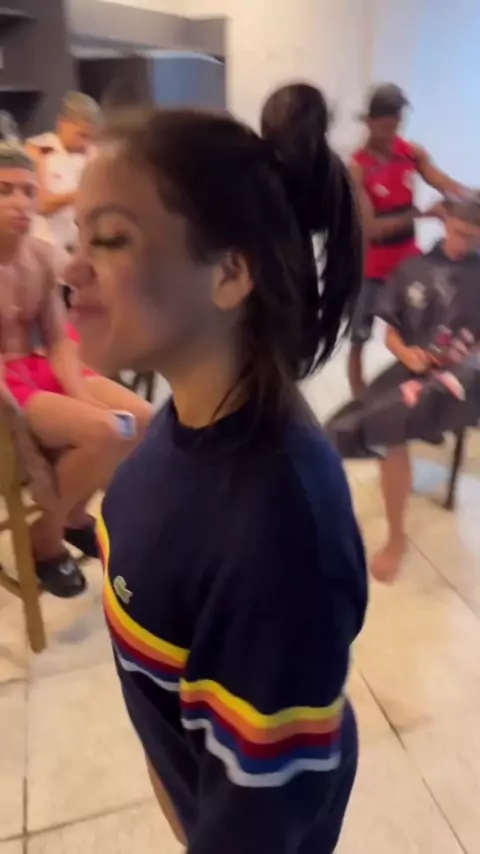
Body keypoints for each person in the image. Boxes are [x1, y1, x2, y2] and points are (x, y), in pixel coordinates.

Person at [71, 86, 367, 854]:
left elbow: (258, 816)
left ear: (230, 273)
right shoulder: (177, 428)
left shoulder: (279, 537)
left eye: (110, 238)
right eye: (78, 236)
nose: (72, 269)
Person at [0, 143, 153, 598]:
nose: (21, 203)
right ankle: (45, 539)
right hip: (5, 383)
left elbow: (57, 340)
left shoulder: (38, 255)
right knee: (105, 432)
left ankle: (70, 513)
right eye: (5, 191)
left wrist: (82, 396)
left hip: (36, 365)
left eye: (28, 191)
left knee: (143, 418)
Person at [326, 198, 480, 582]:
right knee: (364, 420)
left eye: (473, 238)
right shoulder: (413, 268)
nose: (463, 243)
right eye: (459, 233)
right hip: (415, 367)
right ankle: (396, 534)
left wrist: (463, 357)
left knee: (399, 411)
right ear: (446, 222)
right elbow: (391, 333)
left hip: (466, 374)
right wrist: (407, 354)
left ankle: (395, 538)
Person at [348, 83, 470, 399]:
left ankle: (419, 395)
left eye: (397, 126)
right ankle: (359, 400)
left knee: (420, 333)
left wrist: (470, 197)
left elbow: (443, 182)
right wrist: (422, 214)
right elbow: (371, 229)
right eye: (386, 127)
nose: (393, 135)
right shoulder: (358, 168)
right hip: (372, 269)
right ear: (370, 123)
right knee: (359, 339)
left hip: (408, 264)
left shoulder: (410, 153)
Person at [26, 92, 102, 283]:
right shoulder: (38, 149)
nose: (85, 142)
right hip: (48, 249)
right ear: (62, 123)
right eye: (81, 134)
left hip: (82, 251)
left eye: (89, 136)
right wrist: (78, 195)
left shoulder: (95, 153)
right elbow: (40, 203)